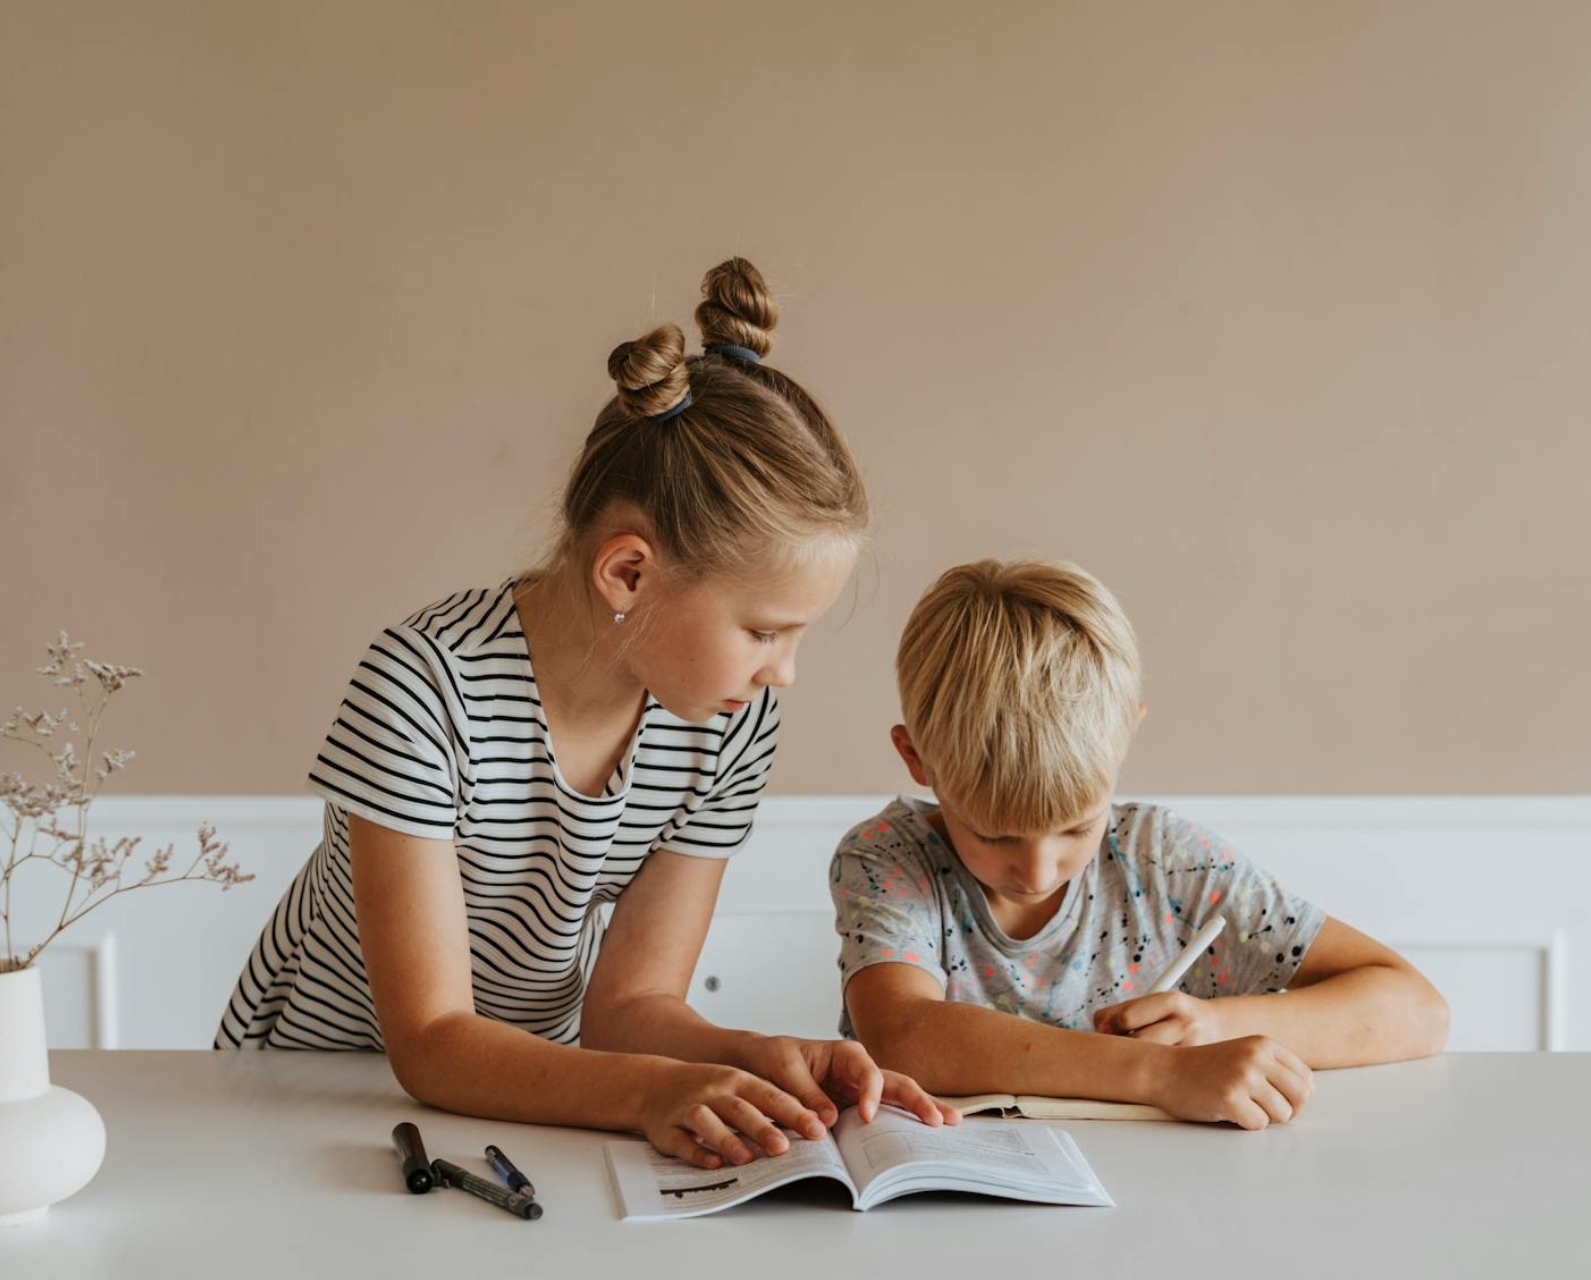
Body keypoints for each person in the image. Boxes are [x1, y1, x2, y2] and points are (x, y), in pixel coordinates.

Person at [217, 258, 956, 1169]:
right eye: (765, 630)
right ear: (629, 572)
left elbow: (627, 1010)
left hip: (531, 1098)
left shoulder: (727, 721)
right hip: (306, 1100)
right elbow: (433, 1040)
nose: (785, 673)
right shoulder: (420, 688)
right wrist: (652, 1091)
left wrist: (760, 1057)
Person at [833, 558, 1450, 1129]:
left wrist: (1213, 1026)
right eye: (994, 834)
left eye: (1076, 827)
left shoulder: (1165, 860)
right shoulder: (889, 856)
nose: (1039, 870)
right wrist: (1161, 1074)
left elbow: (1418, 1012)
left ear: (1126, 737)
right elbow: (904, 1035)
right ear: (916, 757)